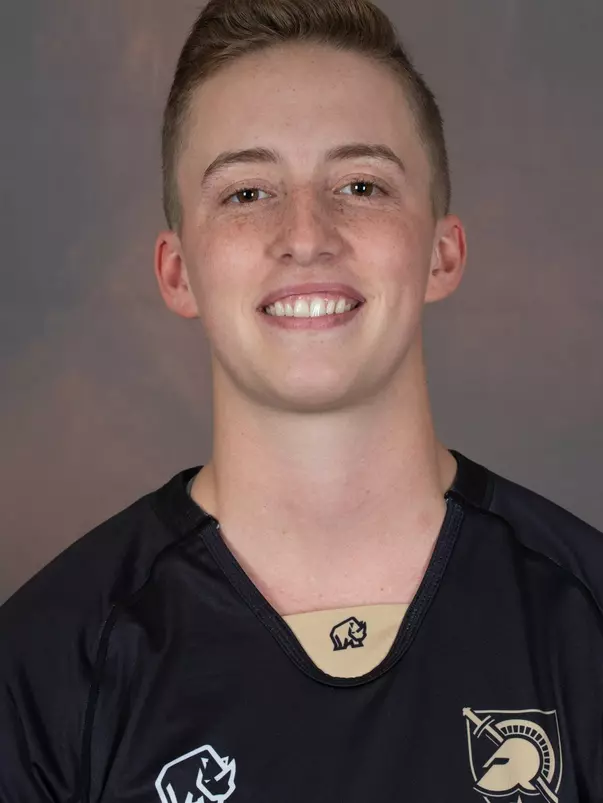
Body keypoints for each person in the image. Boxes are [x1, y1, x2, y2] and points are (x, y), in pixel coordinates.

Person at [1, 0, 602, 800]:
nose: (307, 233)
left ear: (441, 253)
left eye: (360, 183)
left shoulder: (583, 617)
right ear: (178, 271)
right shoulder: (48, 662)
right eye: (247, 193)